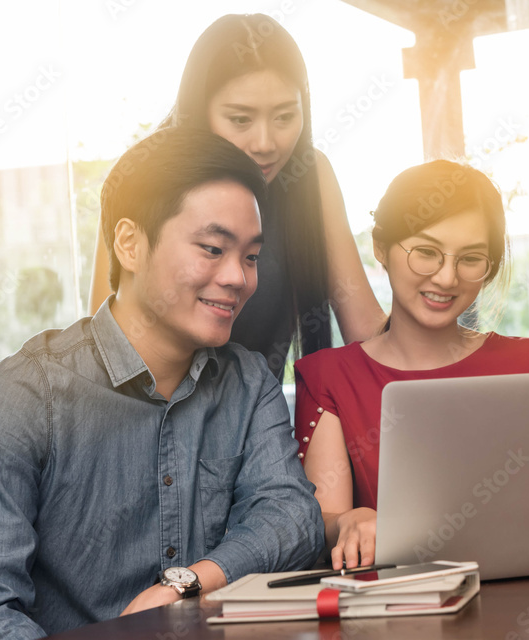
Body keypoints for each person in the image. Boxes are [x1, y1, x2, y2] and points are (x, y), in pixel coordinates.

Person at [0, 127, 325, 640]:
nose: (238, 277)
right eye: (213, 249)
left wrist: (189, 582)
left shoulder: (248, 382)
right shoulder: (24, 395)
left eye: (252, 257)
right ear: (129, 243)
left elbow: (291, 518)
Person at [294, 161, 529, 570]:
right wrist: (351, 521)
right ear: (380, 247)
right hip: (398, 609)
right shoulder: (330, 378)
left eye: (471, 258)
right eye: (426, 252)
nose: (446, 278)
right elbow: (325, 517)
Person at [88, 13, 384, 379]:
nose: (265, 144)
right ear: (200, 113)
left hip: (261, 424)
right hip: (150, 418)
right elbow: (103, 352)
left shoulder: (309, 176)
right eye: (241, 120)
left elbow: (365, 329)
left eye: (284, 117)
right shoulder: (145, 178)